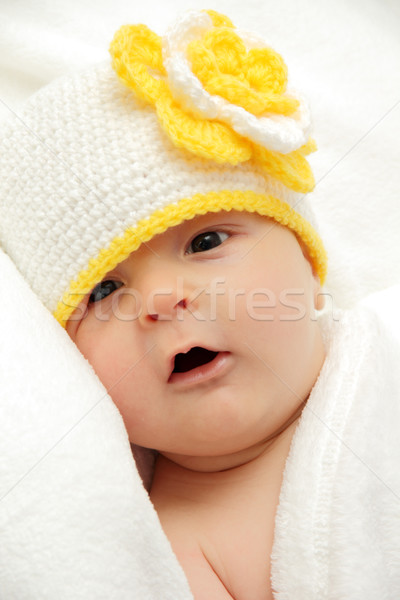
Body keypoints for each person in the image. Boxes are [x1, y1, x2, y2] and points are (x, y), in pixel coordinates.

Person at [1, 9, 399, 600]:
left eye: (206, 241)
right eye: (104, 290)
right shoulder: (179, 550)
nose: (162, 299)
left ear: (310, 265)